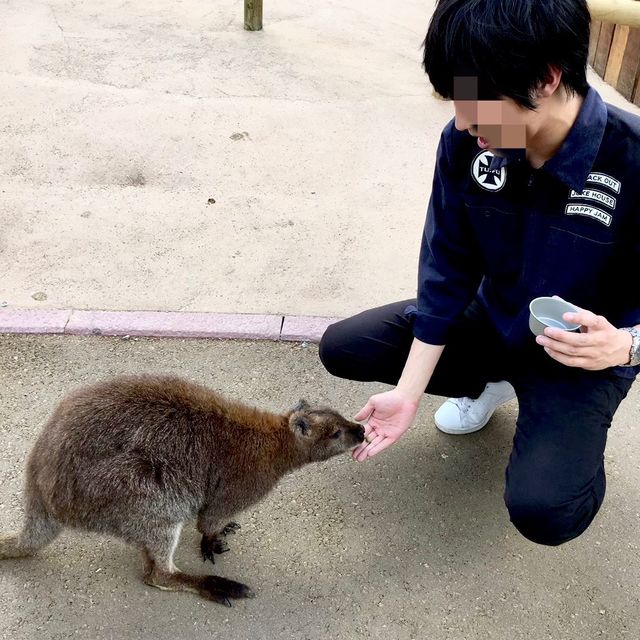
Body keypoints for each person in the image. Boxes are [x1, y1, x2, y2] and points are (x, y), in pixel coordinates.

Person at [319, 0, 640, 546]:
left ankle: (563, 438)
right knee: (344, 346)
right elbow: (448, 267)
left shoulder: (631, 158)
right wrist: (409, 395)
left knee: (547, 511)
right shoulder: (468, 143)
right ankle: (491, 380)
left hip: (580, 357)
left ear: (544, 79)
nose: (464, 122)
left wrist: (628, 347)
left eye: (475, 104)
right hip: (491, 318)